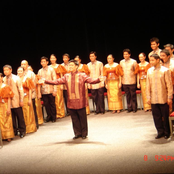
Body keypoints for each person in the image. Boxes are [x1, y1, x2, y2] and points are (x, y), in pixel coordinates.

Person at [38, 60, 104, 139]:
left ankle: (84, 133)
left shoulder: (82, 75)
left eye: (72, 65)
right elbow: (56, 81)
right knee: (74, 119)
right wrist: (45, 81)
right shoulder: (66, 76)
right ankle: (77, 133)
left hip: (80, 101)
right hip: (71, 101)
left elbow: (91, 80)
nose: (70, 67)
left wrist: (98, 80)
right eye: (70, 65)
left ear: (76, 66)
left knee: (82, 118)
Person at [146, 54, 173, 139]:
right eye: (150, 60)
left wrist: (169, 97)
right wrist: (148, 97)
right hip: (154, 97)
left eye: (153, 60)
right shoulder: (149, 71)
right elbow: (148, 85)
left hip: (163, 97)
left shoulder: (165, 70)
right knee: (156, 116)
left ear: (158, 60)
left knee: (165, 116)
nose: (151, 62)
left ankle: (166, 132)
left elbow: (169, 85)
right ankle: (160, 131)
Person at [3, 65, 26, 138]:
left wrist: (21, 100)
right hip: (8, 103)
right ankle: (15, 131)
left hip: (16, 100)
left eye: (7, 70)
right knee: (11, 118)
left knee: (20, 117)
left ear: (11, 70)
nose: (5, 72)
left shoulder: (16, 78)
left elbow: (21, 90)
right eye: (4, 70)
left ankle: (22, 131)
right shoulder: (3, 79)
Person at [17, 66, 37, 134]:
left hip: (26, 97)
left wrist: (29, 99)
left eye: (21, 71)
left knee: (28, 113)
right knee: (22, 114)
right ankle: (23, 127)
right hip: (19, 99)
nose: (19, 72)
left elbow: (30, 89)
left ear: (23, 72)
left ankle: (30, 128)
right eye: (18, 71)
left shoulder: (27, 79)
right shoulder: (16, 79)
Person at [38, 56, 57, 123]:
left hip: (51, 89)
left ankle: (54, 117)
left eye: (44, 62)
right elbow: (39, 82)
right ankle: (49, 116)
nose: (43, 63)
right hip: (44, 91)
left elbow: (54, 80)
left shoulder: (51, 69)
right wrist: (39, 92)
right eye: (42, 62)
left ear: (47, 62)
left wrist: (55, 90)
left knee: (52, 104)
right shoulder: (40, 71)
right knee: (46, 105)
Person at [21, 60, 39, 129]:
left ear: (27, 65)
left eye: (24, 64)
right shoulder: (20, 74)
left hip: (31, 94)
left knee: (33, 109)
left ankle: (35, 124)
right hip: (24, 96)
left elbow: (34, 84)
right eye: (22, 64)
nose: (23, 65)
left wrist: (30, 93)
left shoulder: (31, 73)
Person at [49, 54, 67, 118]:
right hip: (52, 84)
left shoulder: (59, 66)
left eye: (53, 58)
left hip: (58, 83)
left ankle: (61, 113)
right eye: (51, 58)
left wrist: (62, 84)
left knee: (59, 99)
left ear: (56, 59)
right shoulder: (49, 67)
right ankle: (55, 113)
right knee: (54, 100)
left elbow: (62, 75)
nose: (52, 59)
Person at [0, 73, 14, 142]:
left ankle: (8, 136)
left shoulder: (5, 86)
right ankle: (2, 136)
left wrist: (8, 107)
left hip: (5, 104)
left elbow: (9, 98)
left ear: (2, 78)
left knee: (7, 119)